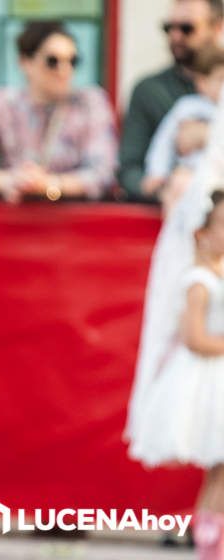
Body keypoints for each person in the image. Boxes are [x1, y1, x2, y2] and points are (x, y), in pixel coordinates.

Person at [129, 190, 224, 559]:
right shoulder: (199, 281)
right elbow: (194, 337)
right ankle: (210, 544)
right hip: (210, 380)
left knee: (220, 472)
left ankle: (213, 541)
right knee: (219, 470)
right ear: (203, 232)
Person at [0, 20, 117, 202]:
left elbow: (104, 174)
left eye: (73, 61)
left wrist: (50, 186)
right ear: (25, 62)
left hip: (76, 220)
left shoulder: (90, 103)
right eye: (53, 61)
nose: (64, 70)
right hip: (15, 218)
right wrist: (10, 180)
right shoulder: (3, 104)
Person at [119, 0, 223, 197]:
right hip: (172, 203)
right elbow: (129, 169)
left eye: (187, 28)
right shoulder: (149, 91)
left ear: (217, 27)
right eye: (169, 28)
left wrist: (207, 134)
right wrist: (162, 187)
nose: (175, 36)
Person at [144, 45, 224, 215]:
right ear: (201, 82)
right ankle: (181, 238)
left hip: (218, 177)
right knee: (178, 189)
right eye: (220, 79)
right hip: (189, 172)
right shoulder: (188, 107)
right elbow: (164, 140)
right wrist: (157, 172)